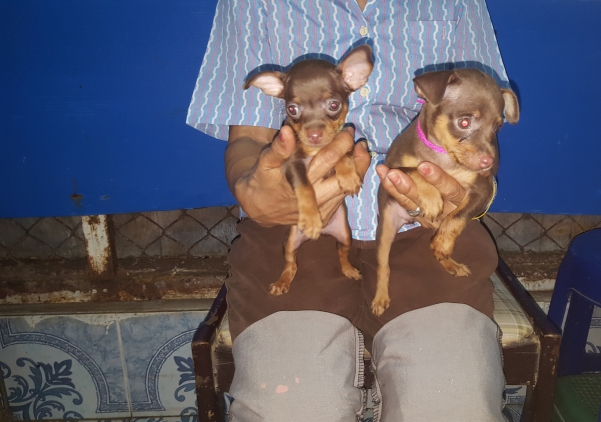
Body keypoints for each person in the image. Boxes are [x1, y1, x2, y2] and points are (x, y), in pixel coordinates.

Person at [187, 1, 511, 420]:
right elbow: (248, 138)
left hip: (426, 229)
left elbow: (484, 123)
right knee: (294, 408)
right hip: (294, 223)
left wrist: (467, 197)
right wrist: (253, 191)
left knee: (451, 406)